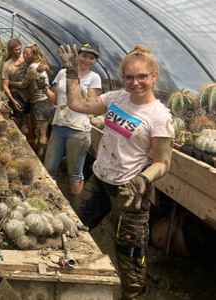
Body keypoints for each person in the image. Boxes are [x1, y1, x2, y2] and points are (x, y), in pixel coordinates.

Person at [60, 44, 174, 299]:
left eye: (142, 76)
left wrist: (144, 178)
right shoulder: (116, 98)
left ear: (154, 77)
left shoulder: (159, 116)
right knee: (76, 229)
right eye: (129, 77)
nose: (135, 83)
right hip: (100, 179)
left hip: (130, 191)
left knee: (131, 255)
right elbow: (77, 104)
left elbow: (163, 162)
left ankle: (133, 293)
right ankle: (69, 282)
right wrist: (70, 71)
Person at [43, 42, 102, 200]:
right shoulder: (62, 72)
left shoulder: (94, 78)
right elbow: (55, 99)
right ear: (77, 56)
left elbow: (90, 104)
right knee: (49, 168)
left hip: (78, 130)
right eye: (84, 55)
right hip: (59, 126)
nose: (86, 60)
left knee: (74, 173)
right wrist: (42, 87)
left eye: (91, 58)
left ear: (95, 61)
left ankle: (73, 207)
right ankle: (49, 200)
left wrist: (73, 76)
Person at [24, 44, 54, 158]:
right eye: (24, 53)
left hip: (40, 103)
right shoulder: (42, 65)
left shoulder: (32, 67)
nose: (24, 55)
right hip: (48, 102)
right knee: (43, 132)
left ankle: (41, 157)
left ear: (34, 55)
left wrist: (9, 83)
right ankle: (42, 154)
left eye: (27, 53)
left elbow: (24, 84)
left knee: (42, 133)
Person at [2, 38, 29, 133]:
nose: (19, 51)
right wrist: (13, 101)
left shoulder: (26, 58)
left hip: (29, 95)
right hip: (16, 96)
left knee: (29, 122)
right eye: (16, 49)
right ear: (10, 51)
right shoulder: (7, 65)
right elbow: (5, 85)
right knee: (19, 121)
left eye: (20, 48)